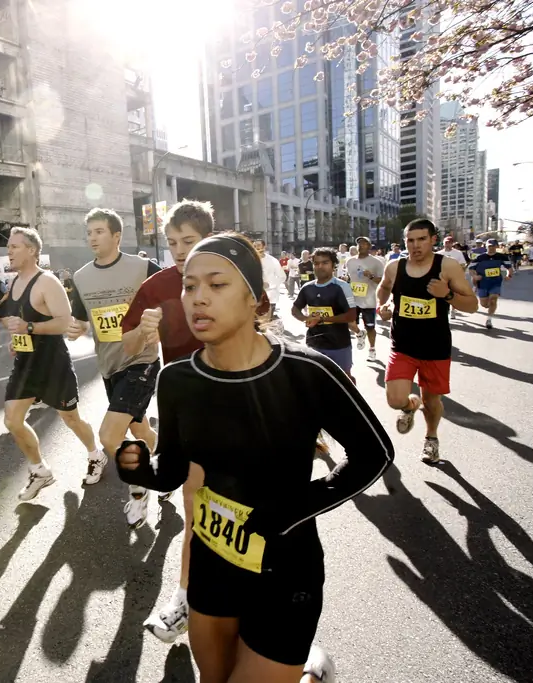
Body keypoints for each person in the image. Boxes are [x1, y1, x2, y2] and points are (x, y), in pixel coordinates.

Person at [115, 232, 393, 683]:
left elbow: (374, 453)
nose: (197, 298)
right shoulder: (177, 379)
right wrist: (142, 467)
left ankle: (311, 672)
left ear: (255, 301)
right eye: (189, 286)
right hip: (211, 561)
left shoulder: (307, 371)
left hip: (286, 570)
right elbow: (172, 468)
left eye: (217, 285)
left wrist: (298, 507)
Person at [120, 198, 214, 643]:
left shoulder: (229, 275)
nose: (178, 250)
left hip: (240, 402)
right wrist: (145, 329)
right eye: (172, 242)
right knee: (195, 505)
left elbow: (265, 321)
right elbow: (125, 344)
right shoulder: (156, 286)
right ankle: (184, 600)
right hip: (186, 405)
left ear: (208, 239)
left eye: (189, 241)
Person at [67, 208, 161, 503]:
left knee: (109, 436)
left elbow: (173, 300)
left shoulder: (143, 268)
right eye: (89, 232)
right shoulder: (81, 277)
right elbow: (82, 319)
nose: (92, 237)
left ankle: (140, 485)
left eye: (99, 231)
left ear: (116, 236)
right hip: (109, 366)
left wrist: (162, 325)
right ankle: (163, 457)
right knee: (139, 428)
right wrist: (76, 328)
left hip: (142, 360)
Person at [1, 226, 99, 501]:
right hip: (25, 363)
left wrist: (28, 328)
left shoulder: (47, 282)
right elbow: (23, 322)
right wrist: (16, 338)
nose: (9, 251)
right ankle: (39, 470)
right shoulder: (15, 283)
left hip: (52, 363)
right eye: (9, 247)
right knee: (12, 420)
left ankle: (95, 453)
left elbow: (64, 323)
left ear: (31, 250)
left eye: (14, 247)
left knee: (70, 418)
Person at [378, 219, 478, 463]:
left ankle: (431, 438)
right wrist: (385, 305)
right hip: (402, 344)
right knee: (394, 399)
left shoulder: (448, 267)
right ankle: (409, 406)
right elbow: (383, 289)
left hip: (435, 347)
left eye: (421, 239)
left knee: (432, 402)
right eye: (410, 240)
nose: (415, 245)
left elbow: (473, 305)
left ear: (433, 239)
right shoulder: (394, 267)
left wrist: (448, 294)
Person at [292, 248, 357, 379]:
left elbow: (351, 315)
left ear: (333, 265)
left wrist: (321, 319)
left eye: (325, 263)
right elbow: (295, 309)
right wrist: (305, 318)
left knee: (344, 379)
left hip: (338, 344)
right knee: (316, 380)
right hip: (313, 344)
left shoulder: (342, 287)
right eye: (316, 263)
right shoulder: (307, 287)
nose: (320, 266)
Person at [346, 236, 385, 361]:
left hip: (369, 299)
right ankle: (359, 333)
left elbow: (383, 281)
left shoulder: (376, 262)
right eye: (359, 243)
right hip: (353, 298)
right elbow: (349, 277)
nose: (360, 245)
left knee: (370, 327)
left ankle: (372, 349)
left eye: (364, 243)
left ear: (369, 246)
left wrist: (371, 276)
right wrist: (345, 280)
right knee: (349, 323)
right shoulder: (350, 261)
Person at [468, 239, 512, 330]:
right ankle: (488, 307)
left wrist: (509, 275)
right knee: (484, 304)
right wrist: (475, 276)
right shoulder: (480, 257)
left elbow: (509, 268)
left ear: (496, 246)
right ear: (486, 246)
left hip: (495, 282)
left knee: (493, 300)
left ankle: (489, 319)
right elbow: (471, 269)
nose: (491, 248)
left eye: (492, 246)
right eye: (489, 246)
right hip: (483, 283)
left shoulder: (502, 257)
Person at [253, 239, 286, 320]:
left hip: (270, 296)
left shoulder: (273, 261)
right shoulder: (250, 260)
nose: (256, 248)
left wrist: (269, 284)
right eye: (255, 246)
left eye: (258, 245)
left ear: (264, 247)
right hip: (254, 297)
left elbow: (282, 277)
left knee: (267, 322)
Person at [436, 236, 468, 320]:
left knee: (453, 294)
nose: (447, 244)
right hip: (442, 277)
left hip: (454, 277)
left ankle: (453, 310)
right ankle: (444, 311)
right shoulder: (439, 254)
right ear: (443, 243)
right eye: (446, 242)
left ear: (452, 243)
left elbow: (463, 265)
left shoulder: (458, 253)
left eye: (449, 242)